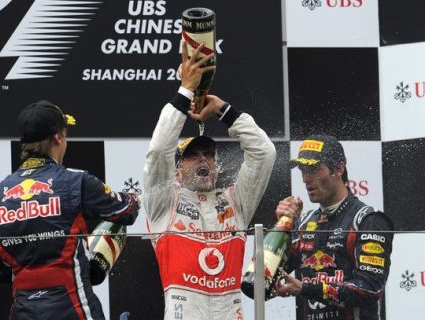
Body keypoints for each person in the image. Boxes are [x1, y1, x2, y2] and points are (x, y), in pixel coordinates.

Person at [143, 42, 277, 320]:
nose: (203, 160)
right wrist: (185, 92)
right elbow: (159, 152)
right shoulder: (163, 202)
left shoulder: (236, 201)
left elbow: (264, 154)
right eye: (193, 156)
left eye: (209, 155)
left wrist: (221, 109)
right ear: (177, 171)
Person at [0, 100, 140, 320]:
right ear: (57, 138)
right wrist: (135, 199)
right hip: (73, 308)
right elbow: (126, 211)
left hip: (23, 311)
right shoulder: (75, 181)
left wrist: (33, 276)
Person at [274, 135, 394, 320]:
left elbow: (370, 288)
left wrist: (306, 289)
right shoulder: (304, 224)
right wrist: (282, 226)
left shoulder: (367, 220)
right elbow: (261, 281)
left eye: (314, 169)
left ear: (338, 168)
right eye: (303, 170)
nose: (306, 178)